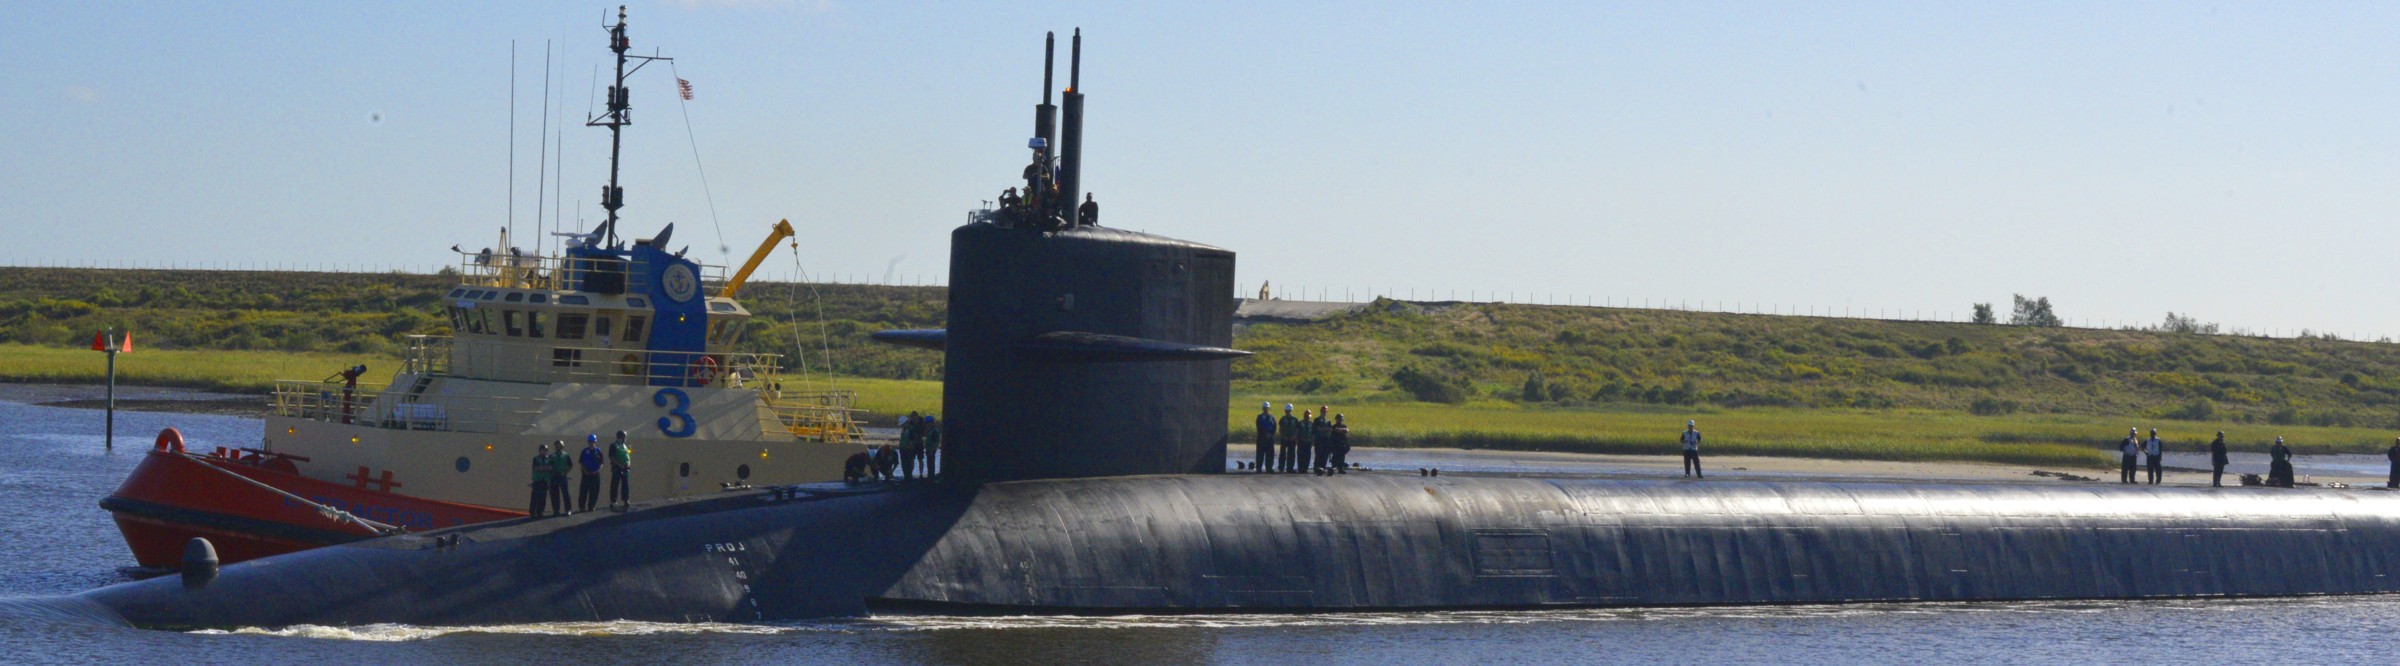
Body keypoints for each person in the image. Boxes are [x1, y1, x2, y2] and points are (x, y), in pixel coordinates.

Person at [607, 431, 633, 509]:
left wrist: (628, 463)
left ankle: (626, 500)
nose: (626, 438)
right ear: (621, 437)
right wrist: (619, 465)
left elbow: (627, 455)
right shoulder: (613, 445)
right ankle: (613, 501)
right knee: (615, 484)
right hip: (617, 468)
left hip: (625, 468)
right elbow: (611, 457)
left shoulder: (625, 446)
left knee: (625, 485)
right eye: (625, 437)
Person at [577, 434, 604, 512]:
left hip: (595, 474)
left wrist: (598, 470)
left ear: (595, 442)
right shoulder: (584, 451)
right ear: (588, 442)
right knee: (583, 491)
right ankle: (582, 507)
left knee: (594, 491)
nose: (591, 443)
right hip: (586, 474)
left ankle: (591, 506)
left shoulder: (599, 451)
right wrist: (585, 471)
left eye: (593, 442)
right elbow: (581, 462)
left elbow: (601, 463)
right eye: (590, 442)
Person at [548, 440, 574, 516]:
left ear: (562, 446)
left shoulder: (566, 455)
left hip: (562, 477)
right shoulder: (552, 456)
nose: (558, 446)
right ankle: (556, 510)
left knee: (565, 494)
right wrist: (551, 472)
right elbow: (548, 465)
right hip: (554, 477)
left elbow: (571, 465)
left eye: (559, 445)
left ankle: (568, 510)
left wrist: (565, 472)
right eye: (556, 445)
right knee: (554, 494)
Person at [529, 443, 552, 517]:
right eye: (543, 450)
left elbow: (551, 468)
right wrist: (546, 468)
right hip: (537, 480)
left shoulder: (549, 459)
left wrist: (542, 468)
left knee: (543, 498)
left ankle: (540, 512)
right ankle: (532, 513)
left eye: (546, 450)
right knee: (535, 497)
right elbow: (536, 468)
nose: (544, 451)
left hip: (545, 481)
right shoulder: (536, 459)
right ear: (540, 450)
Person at [1253, 402, 1277, 473]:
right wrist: (1264, 434)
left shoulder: (1272, 417)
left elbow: (1274, 427)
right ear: (1263, 409)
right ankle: (1259, 468)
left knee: (1270, 454)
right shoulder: (1259, 417)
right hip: (1261, 438)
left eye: (1267, 408)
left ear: (1269, 408)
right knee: (1260, 454)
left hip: (1270, 438)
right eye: (1264, 408)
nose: (1266, 409)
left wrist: (1271, 434)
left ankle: (1269, 468)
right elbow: (1258, 427)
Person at [900, 411, 924, 481]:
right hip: (912, 446)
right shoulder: (909, 424)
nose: (913, 419)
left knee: (920, 459)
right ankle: (910, 474)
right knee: (911, 460)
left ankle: (921, 474)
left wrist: (917, 435)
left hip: (919, 443)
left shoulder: (921, 423)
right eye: (912, 418)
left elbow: (923, 432)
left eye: (914, 418)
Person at [1277, 405, 1300, 473]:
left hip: (1292, 439)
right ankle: (1281, 467)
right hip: (1284, 438)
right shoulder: (1282, 419)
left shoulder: (1295, 419)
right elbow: (1280, 429)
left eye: (1288, 411)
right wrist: (1283, 436)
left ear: (1291, 411)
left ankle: (1290, 468)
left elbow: (1297, 429)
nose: (1287, 412)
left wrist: (1294, 436)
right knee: (1282, 454)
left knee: (1291, 454)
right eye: (1286, 411)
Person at [1294, 409, 1317, 475]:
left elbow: (1313, 433)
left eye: (1308, 416)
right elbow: (1297, 432)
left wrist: (1312, 441)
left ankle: (1305, 468)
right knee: (1300, 455)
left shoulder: (1311, 424)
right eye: (1306, 416)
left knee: (1307, 455)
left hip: (1308, 441)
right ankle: (1300, 468)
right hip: (1301, 441)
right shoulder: (1300, 423)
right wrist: (1297, 440)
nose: (1307, 417)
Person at [1311, 407, 1333, 473]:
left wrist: (1324, 429)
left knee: (1325, 454)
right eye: (1323, 411)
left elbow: (1330, 429)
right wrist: (1325, 429)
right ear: (1321, 411)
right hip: (1319, 439)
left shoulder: (1328, 421)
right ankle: (1316, 468)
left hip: (1326, 439)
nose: (1324, 413)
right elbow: (1317, 429)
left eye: (1325, 411)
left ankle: (1323, 467)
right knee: (1319, 453)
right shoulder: (1317, 420)